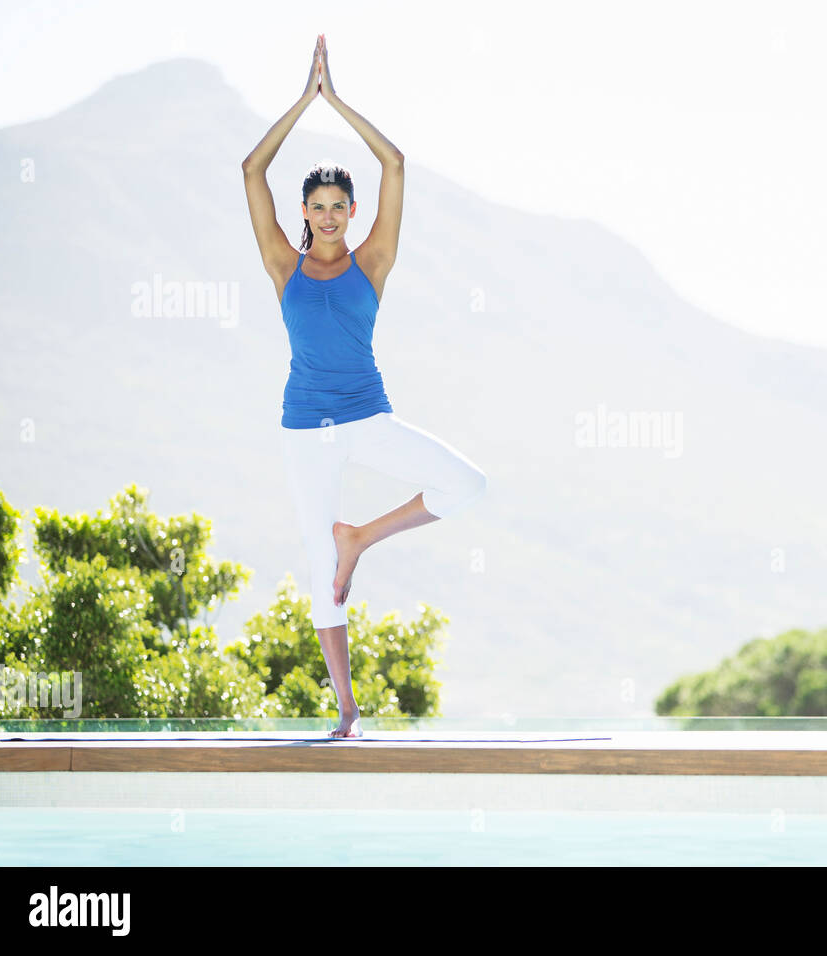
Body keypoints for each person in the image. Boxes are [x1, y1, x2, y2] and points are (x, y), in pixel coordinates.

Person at [241, 35, 487, 738]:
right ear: (304, 213)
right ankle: (346, 708)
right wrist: (303, 100)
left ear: (351, 212)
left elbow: (396, 163)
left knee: (466, 484)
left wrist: (338, 101)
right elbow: (252, 167)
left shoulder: (373, 262)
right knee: (320, 570)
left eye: (338, 205)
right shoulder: (280, 265)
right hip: (303, 430)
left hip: (367, 415)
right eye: (316, 205)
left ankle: (363, 538)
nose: (327, 215)